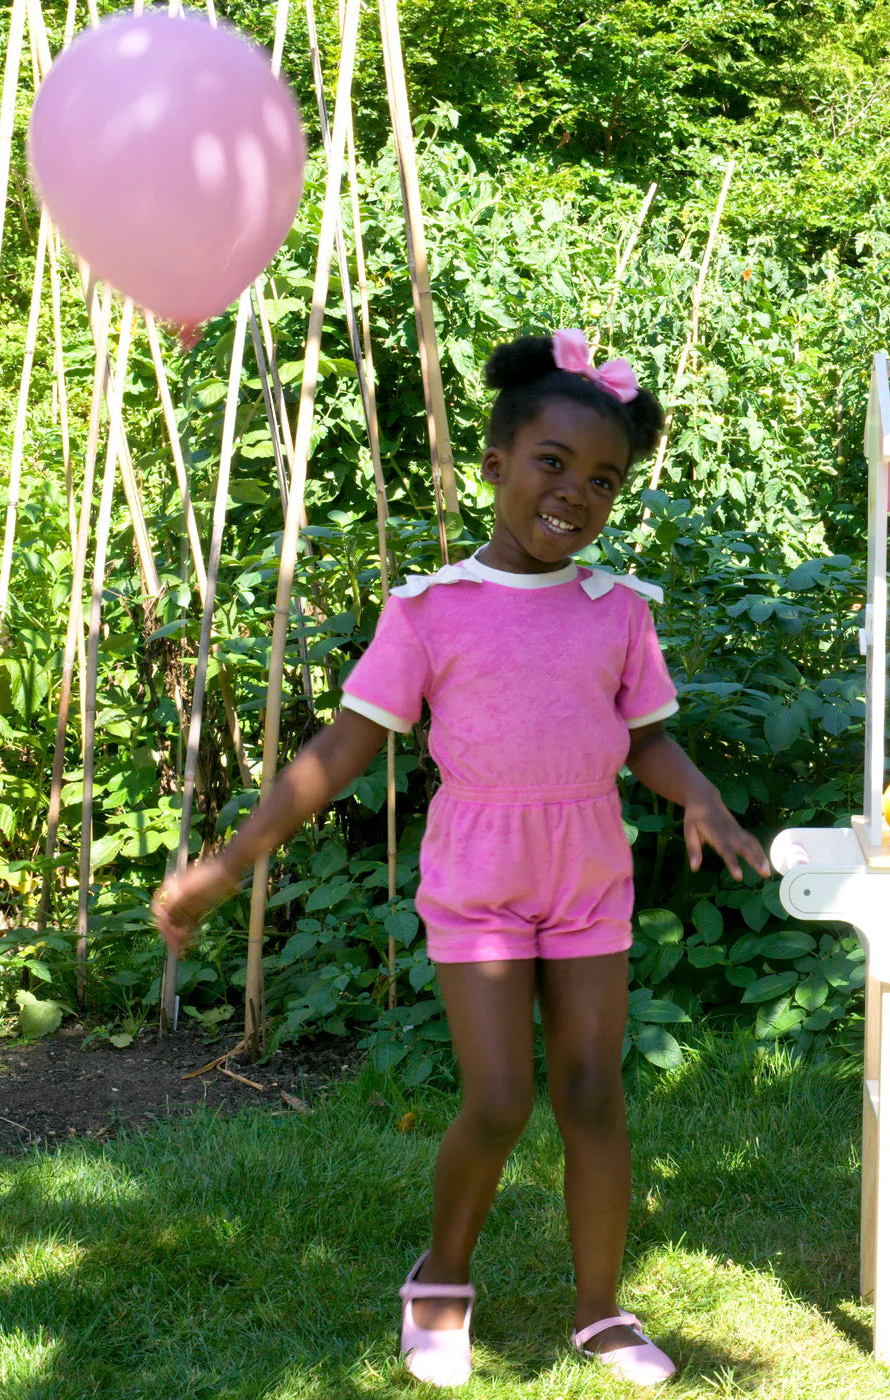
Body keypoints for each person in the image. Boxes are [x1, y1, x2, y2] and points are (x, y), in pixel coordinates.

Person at [152, 329, 771, 1388]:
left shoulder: (616, 612)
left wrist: (701, 798)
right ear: (492, 464)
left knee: (590, 1090)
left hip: (586, 875)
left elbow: (645, 738)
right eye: (552, 463)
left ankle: (599, 1309)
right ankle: (439, 1276)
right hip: (479, 880)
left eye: (602, 479)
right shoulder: (429, 610)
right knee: (497, 1100)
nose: (575, 492)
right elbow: (340, 749)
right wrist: (226, 861)